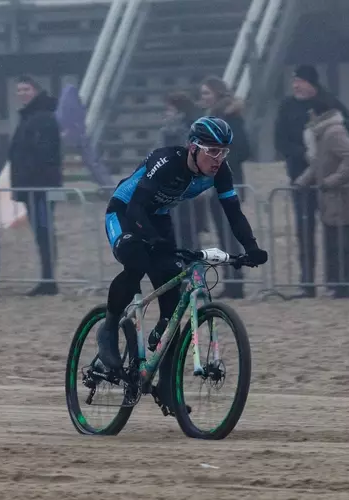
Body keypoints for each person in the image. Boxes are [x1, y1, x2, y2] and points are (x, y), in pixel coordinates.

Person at [96, 116, 268, 411]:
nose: (218, 159)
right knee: (136, 262)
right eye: (212, 151)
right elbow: (136, 205)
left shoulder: (220, 172)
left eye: (223, 152)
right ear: (193, 148)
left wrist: (251, 248)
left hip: (158, 218)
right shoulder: (167, 161)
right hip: (125, 213)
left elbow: (233, 212)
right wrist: (152, 240)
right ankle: (109, 329)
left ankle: (167, 385)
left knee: (173, 300)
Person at [274, 65, 349, 298]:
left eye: (300, 81)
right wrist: (302, 153)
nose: (296, 85)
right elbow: (280, 142)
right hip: (301, 176)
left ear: (312, 83)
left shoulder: (329, 103)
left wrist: (333, 148)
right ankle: (307, 282)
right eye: (294, 81)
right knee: (304, 230)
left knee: (335, 231)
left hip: (330, 180)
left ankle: (338, 281)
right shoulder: (287, 106)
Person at [294, 95, 349, 298]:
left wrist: (333, 180)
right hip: (335, 198)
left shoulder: (333, 132)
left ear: (315, 113)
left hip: (347, 197)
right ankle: (340, 284)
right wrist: (302, 182)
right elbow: (318, 165)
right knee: (337, 242)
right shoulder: (322, 134)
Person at [9, 75, 62, 296]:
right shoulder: (30, 117)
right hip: (32, 185)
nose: (22, 93)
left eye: (26, 89)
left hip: (41, 186)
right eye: (19, 90)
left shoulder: (42, 117)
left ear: (36, 91)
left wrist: (34, 177)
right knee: (41, 231)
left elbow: (45, 153)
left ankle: (49, 278)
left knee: (44, 230)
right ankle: (46, 277)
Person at [198, 76, 251, 299]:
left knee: (231, 235)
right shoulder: (212, 119)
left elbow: (244, 149)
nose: (203, 98)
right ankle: (230, 281)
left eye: (206, 93)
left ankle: (235, 283)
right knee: (224, 235)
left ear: (217, 94)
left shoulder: (230, 119)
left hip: (228, 182)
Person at [154, 90, 207, 251]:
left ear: (179, 111)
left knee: (190, 236)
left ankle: (196, 276)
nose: (165, 114)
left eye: (169, 109)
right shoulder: (164, 133)